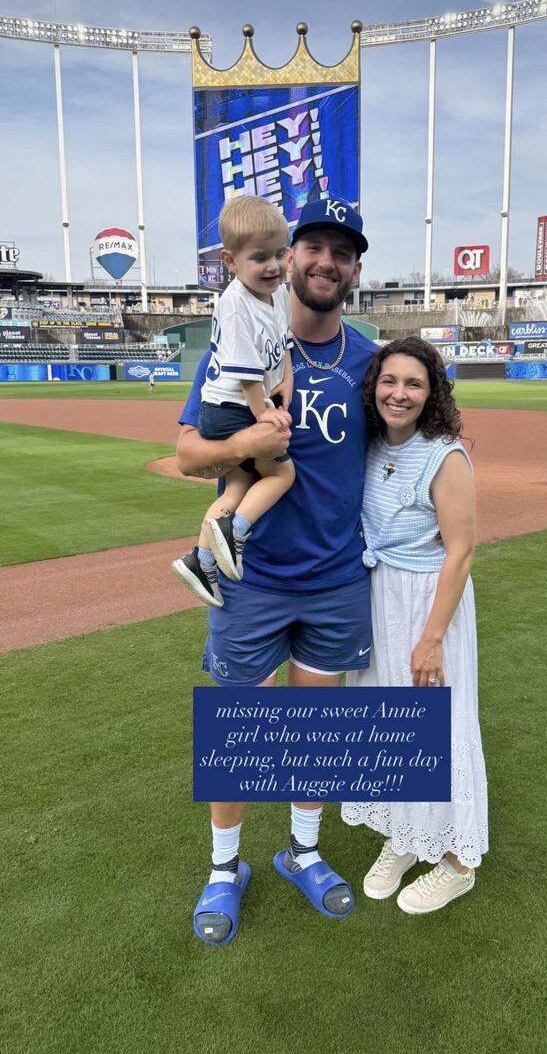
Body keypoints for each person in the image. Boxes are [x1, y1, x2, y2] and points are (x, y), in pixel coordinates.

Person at [176, 197, 376, 945]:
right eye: (313, 246)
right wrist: (253, 443)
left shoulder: (369, 361)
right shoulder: (240, 333)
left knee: (313, 732)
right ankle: (227, 867)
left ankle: (302, 852)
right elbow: (192, 452)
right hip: (254, 579)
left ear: (355, 269)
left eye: (343, 251)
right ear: (288, 258)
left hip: (334, 579)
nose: (327, 260)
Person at [341, 337, 488, 914]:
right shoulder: (372, 443)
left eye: (414, 384)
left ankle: (459, 861)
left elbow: (461, 552)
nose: (398, 394)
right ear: (374, 384)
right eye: (390, 381)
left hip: (429, 602)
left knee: (443, 726)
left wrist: (430, 639)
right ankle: (406, 836)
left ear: (431, 395)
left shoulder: (445, 454)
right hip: (379, 597)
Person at [171, 197, 295, 607]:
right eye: (259, 257)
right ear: (230, 260)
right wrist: (265, 415)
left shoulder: (277, 294)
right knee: (281, 475)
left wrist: (287, 384)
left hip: (239, 407)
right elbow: (246, 375)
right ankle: (235, 532)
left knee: (238, 485)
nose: (273, 266)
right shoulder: (237, 305)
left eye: (280, 253)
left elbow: (284, 346)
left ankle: (199, 560)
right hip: (230, 410)